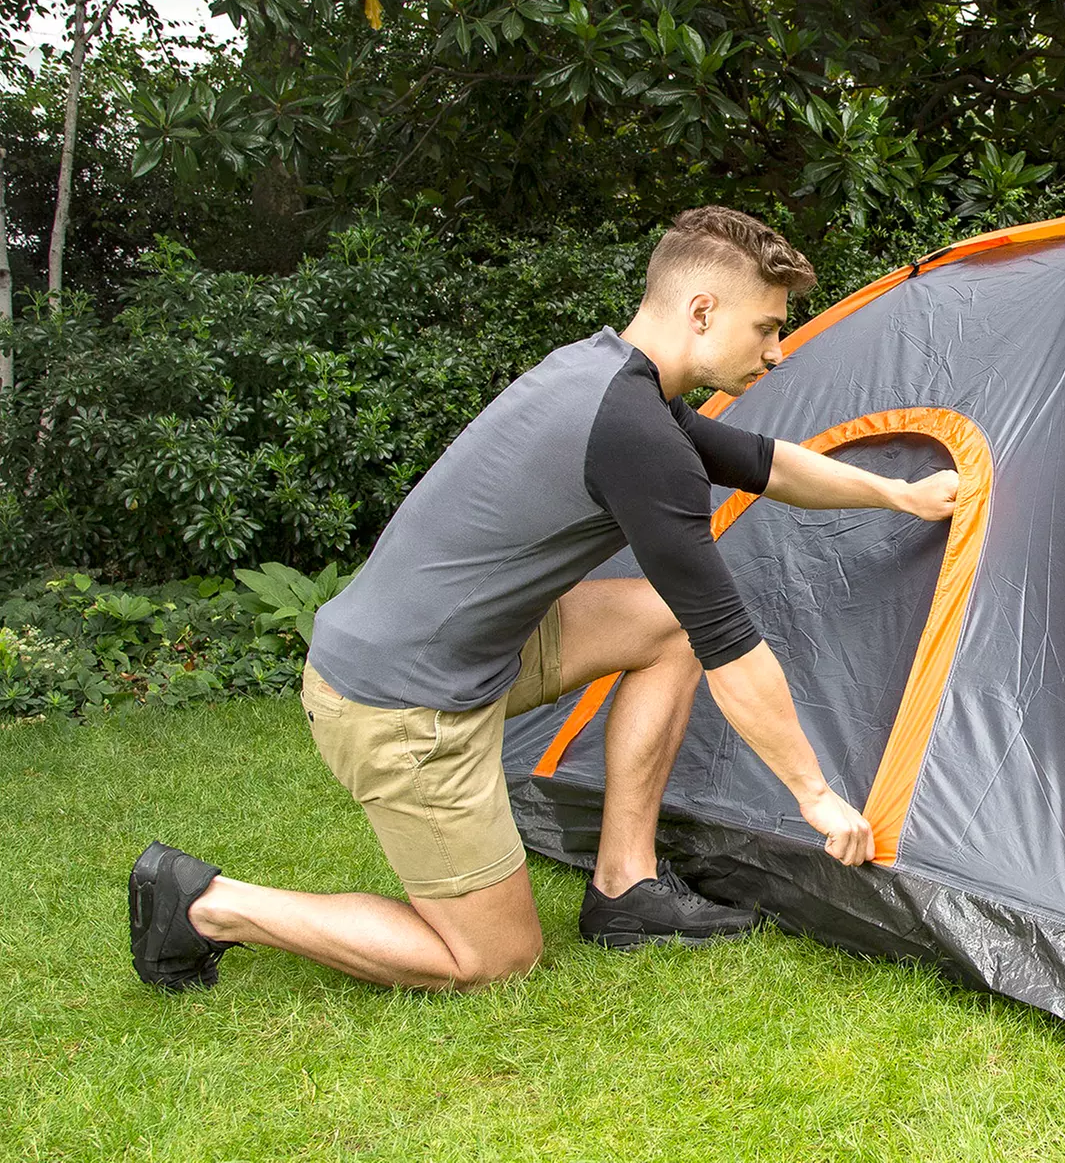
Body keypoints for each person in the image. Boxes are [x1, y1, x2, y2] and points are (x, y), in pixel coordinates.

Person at [127, 207, 959, 992]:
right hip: (401, 705)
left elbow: (761, 461)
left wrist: (900, 495)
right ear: (702, 311)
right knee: (493, 959)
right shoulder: (633, 432)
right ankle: (208, 905)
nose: (776, 351)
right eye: (766, 328)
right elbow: (728, 641)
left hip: (451, 651)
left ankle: (625, 887)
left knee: (663, 628)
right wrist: (814, 794)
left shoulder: (611, 378)